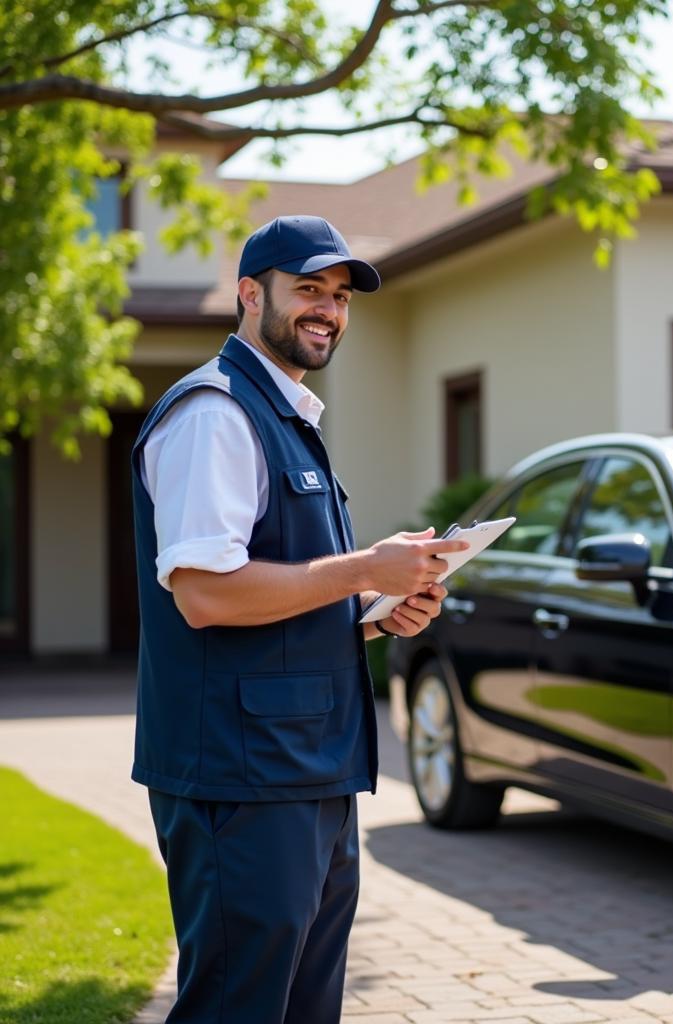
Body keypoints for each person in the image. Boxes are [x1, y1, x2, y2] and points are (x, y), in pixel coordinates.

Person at [130, 215, 468, 1024]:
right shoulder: (215, 414)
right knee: (238, 1004)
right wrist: (364, 568)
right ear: (251, 295)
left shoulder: (288, 414)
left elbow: (281, 599)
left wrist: (379, 612)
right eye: (308, 289)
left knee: (303, 1006)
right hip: (239, 775)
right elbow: (205, 595)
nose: (328, 310)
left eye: (340, 296)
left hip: (307, 769)